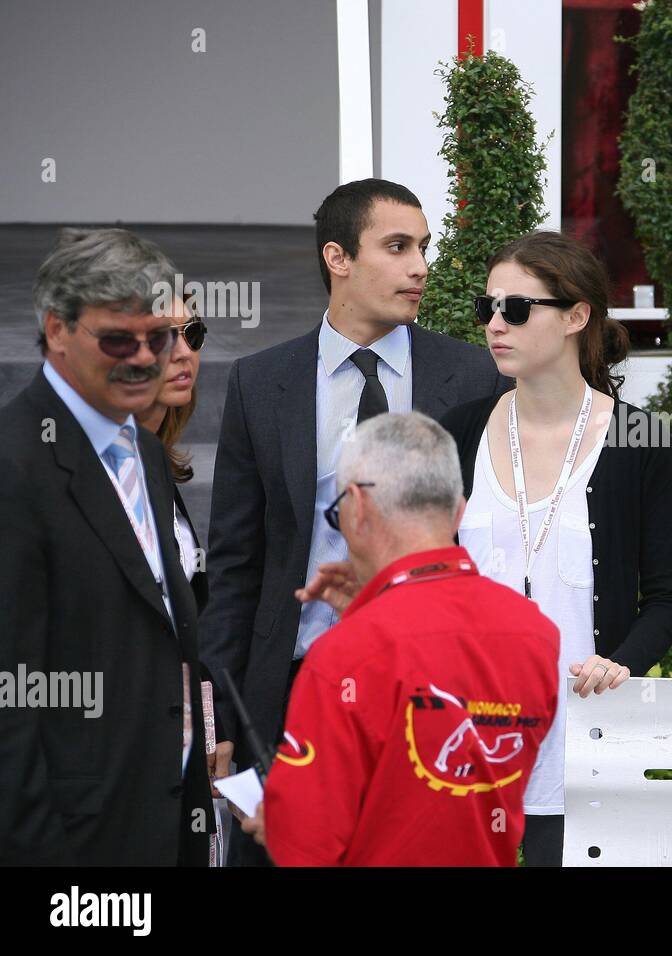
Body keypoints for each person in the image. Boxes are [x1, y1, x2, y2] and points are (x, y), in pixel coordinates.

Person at [199, 178, 508, 864]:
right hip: (289, 689)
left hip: (425, 689)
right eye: (397, 247)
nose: (420, 266)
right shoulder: (261, 382)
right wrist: (219, 706)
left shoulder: (473, 378)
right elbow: (235, 561)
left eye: (423, 247)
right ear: (337, 258)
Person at [439, 231, 672, 867]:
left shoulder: (639, 438)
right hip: (463, 733)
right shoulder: (458, 430)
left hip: (583, 730)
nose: (495, 324)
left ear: (577, 317)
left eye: (517, 309)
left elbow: (666, 597)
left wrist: (621, 661)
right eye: (487, 307)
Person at [238, 412, 558, 866]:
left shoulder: (345, 653)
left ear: (358, 507)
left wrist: (274, 820)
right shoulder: (535, 632)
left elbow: (307, 846)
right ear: (459, 510)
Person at [0, 227, 214, 865]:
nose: (145, 358)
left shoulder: (145, 451)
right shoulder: (14, 467)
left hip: (167, 823)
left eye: (161, 337)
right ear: (57, 329)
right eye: (119, 339)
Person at [137, 295, 235, 840]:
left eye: (192, 333)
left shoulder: (154, 463)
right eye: (159, 335)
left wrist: (209, 727)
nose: (182, 353)